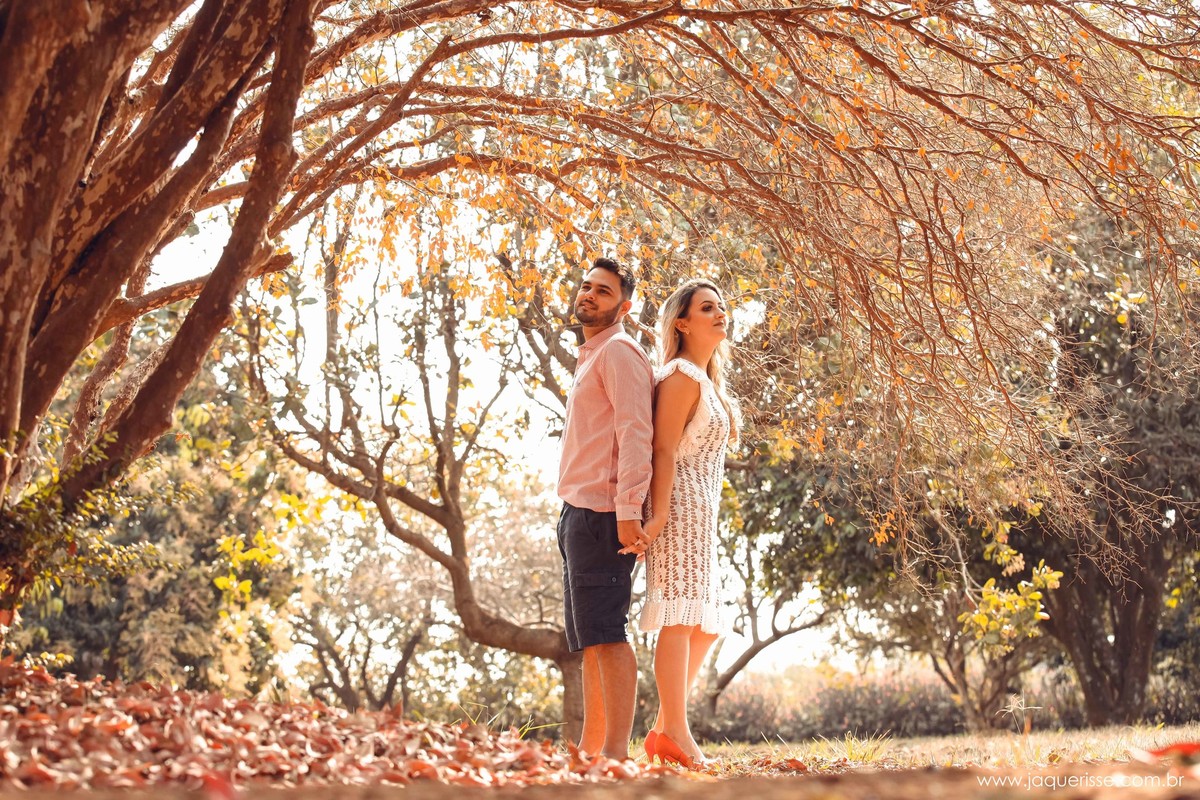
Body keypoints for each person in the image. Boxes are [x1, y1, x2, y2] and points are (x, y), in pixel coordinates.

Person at [557, 256, 654, 761]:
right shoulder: (592, 354)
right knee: (590, 638)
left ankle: (616, 753)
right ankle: (593, 750)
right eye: (586, 286)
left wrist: (628, 510)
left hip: (603, 515)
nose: (589, 295)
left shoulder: (619, 352)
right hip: (577, 513)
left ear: (624, 305)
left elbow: (636, 432)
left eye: (603, 290)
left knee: (608, 634)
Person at [638, 278, 738, 769]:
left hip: (702, 513)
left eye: (721, 306)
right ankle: (675, 730)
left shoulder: (706, 379)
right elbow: (662, 448)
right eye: (706, 308)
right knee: (679, 619)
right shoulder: (679, 374)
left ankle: (662, 729)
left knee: (705, 624)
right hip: (676, 508)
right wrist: (656, 516)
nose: (719, 313)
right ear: (682, 322)